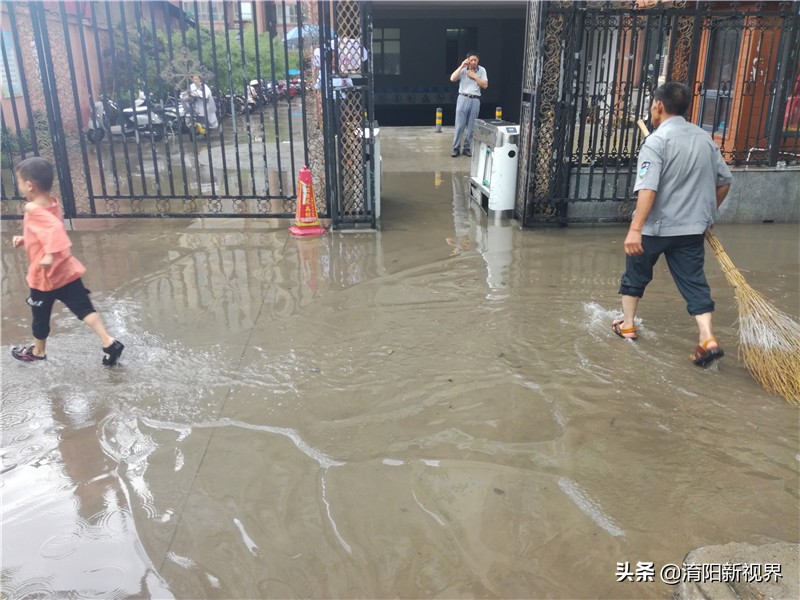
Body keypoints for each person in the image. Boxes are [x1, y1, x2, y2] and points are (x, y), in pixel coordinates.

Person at [613, 81, 733, 367]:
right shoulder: (705, 139)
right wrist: (706, 215)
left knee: (635, 276)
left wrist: (635, 229)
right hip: (692, 230)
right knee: (694, 284)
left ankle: (627, 325)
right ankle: (707, 337)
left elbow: (648, 190)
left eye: (653, 104)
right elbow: (725, 181)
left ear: (659, 106)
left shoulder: (656, 141)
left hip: (655, 228)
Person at [10, 157, 124, 366]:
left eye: (18, 181)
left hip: (45, 278)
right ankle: (109, 342)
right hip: (67, 272)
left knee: (40, 318)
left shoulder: (34, 210)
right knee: (85, 310)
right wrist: (26, 239)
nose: (17, 186)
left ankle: (38, 351)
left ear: (29, 185)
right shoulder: (53, 203)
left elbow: (53, 229)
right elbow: (47, 231)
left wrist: (50, 255)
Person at [449, 51, 488, 158]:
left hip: (475, 99)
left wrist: (475, 76)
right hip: (463, 97)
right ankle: (456, 148)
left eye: (475, 60)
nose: (474, 62)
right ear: (468, 61)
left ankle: (467, 148)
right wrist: (461, 66)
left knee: (471, 126)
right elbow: (452, 78)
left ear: (478, 60)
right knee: (460, 125)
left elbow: (485, 85)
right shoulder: (463, 70)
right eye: (471, 60)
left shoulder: (482, 70)